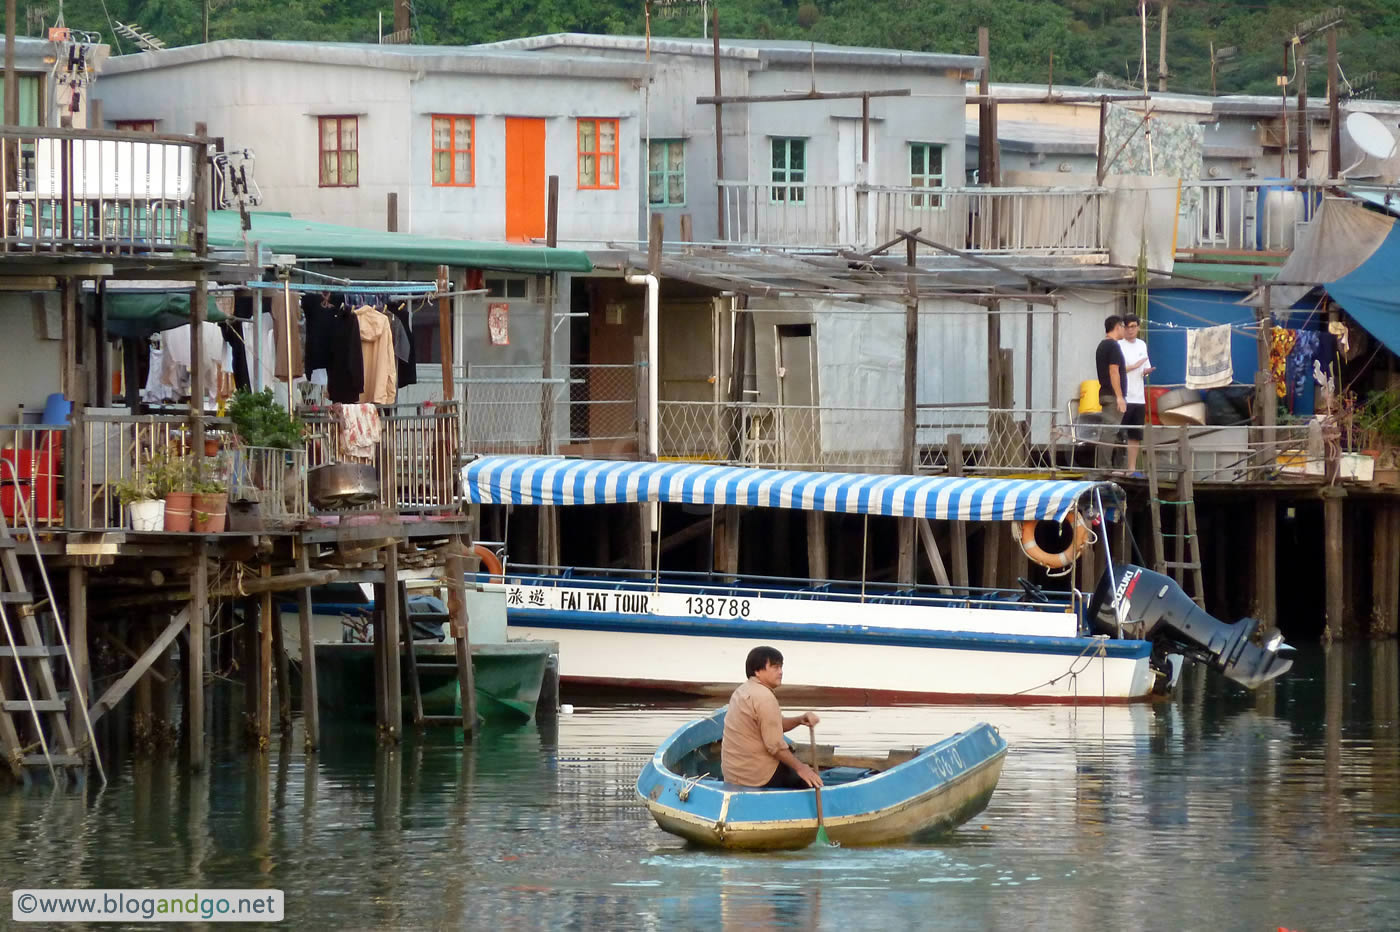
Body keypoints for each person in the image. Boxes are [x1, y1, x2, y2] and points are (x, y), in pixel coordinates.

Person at [721, 646, 824, 789]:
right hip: (756, 776)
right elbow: (775, 747)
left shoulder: (743, 690)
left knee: (793, 764)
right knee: (810, 781)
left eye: (781, 667)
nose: (781, 672)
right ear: (757, 671)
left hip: (734, 773)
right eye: (775, 667)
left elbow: (776, 725)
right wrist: (802, 768)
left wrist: (800, 719)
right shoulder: (764, 698)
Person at [1117, 315, 1154, 476]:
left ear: (1138, 327)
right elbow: (1117, 370)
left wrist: (1145, 370)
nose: (1130, 330)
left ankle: (1131, 468)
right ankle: (1117, 467)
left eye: (1133, 326)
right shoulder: (1118, 345)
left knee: (1135, 434)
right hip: (1123, 395)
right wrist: (1135, 366)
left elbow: (1144, 368)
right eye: (1127, 327)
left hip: (1139, 396)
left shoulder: (1142, 344)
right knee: (1117, 432)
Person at [1095, 315, 1127, 469]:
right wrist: (1120, 397)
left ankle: (1105, 466)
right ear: (1117, 327)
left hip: (1105, 393)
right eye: (1123, 326)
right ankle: (1104, 468)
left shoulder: (1102, 345)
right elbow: (1114, 371)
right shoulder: (1113, 346)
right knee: (1110, 432)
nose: (1124, 330)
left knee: (1108, 431)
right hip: (1112, 395)